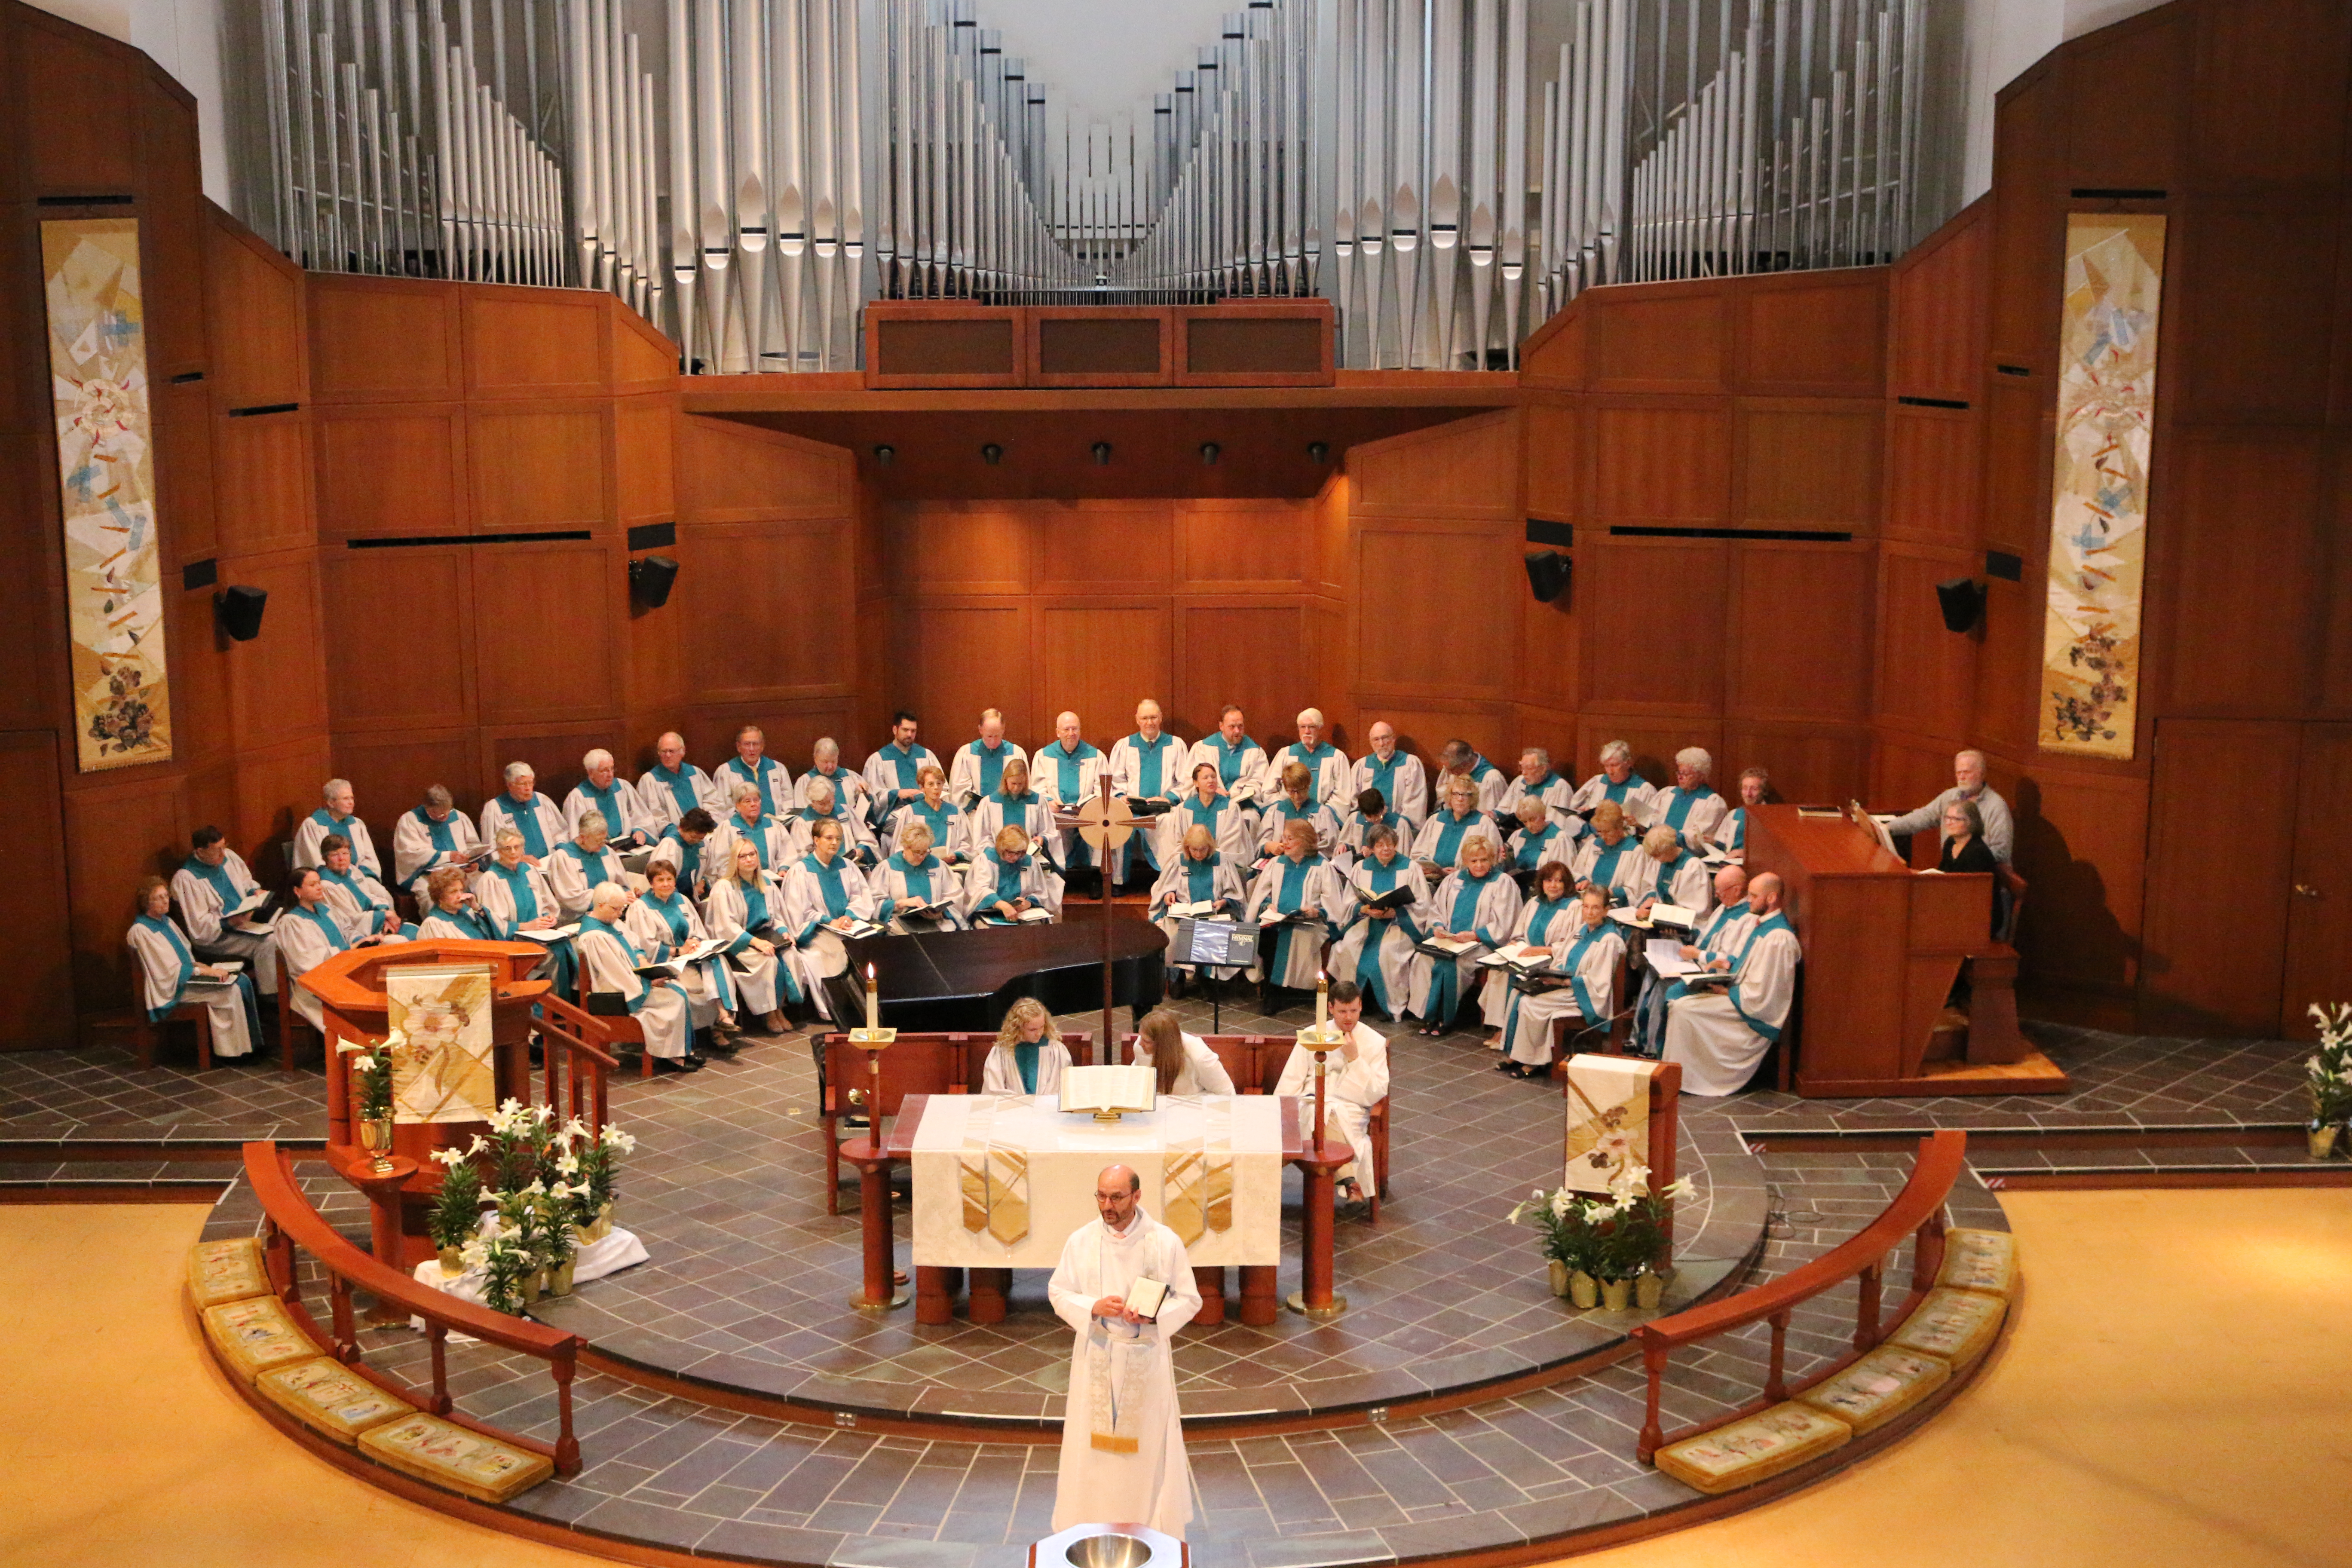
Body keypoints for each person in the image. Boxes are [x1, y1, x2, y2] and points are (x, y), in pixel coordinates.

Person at [1046, 1165, 1200, 1542]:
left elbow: (1190, 1298)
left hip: (1146, 1356)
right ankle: (1089, 1524)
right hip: (1096, 1353)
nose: (1107, 1205)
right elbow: (1059, 1292)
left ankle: (1149, 1527)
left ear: (1137, 1196)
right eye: (1101, 1196)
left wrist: (1153, 1316)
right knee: (1090, 1449)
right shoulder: (1081, 1241)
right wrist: (1094, 1307)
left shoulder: (1165, 1242)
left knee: (1146, 1449)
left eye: (1116, 1197)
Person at [1663, 871, 1801, 1095]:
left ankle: (1688, 1078)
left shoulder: (1779, 939)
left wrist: (1727, 993)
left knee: (1683, 1009)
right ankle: (1676, 1074)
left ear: (1772, 898)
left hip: (1753, 1011)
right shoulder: (1762, 925)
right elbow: (1744, 965)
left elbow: (1765, 995)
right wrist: (1722, 968)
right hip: (1739, 994)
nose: (1749, 900)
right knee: (1681, 1002)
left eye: (1754, 896)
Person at [1269, 982, 1388, 1204]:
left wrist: (1355, 1059)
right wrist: (1281, 1112)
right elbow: (1291, 1080)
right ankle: (1351, 1183)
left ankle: (1257, 1182)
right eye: (1343, 1011)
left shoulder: (1375, 1042)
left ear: (1361, 1006)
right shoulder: (1312, 1036)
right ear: (1331, 1008)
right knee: (1319, 1113)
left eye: (1354, 1010)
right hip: (1308, 1104)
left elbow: (1377, 1092)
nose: (1349, 1017)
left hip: (1351, 1110)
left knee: (1325, 1116)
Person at [1497, 885, 1623, 1078]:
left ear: (1606, 910)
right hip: (1563, 985)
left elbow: (1599, 981)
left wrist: (1564, 982)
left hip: (1583, 994)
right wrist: (1552, 974)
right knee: (1517, 993)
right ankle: (1517, 1056)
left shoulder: (1609, 939)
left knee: (1532, 1004)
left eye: (1596, 908)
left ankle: (1535, 1062)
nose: (1589, 912)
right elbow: (1564, 956)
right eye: (1586, 907)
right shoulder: (1582, 929)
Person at [129, 876, 260, 1060]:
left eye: (167, 896)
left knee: (240, 980)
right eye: (160, 898)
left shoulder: (167, 921)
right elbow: (168, 970)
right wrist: (210, 972)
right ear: (146, 902)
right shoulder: (142, 931)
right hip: (173, 988)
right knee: (229, 992)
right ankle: (232, 1053)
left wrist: (208, 969)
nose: (166, 901)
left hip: (187, 976)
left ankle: (249, 1047)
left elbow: (187, 957)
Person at [577, 882, 701, 1072]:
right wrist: (648, 982)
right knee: (674, 998)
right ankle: (670, 1056)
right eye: (616, 909)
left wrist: (644, 962)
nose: (620, 914)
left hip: (632, 979)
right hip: (617, 990)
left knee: (680, 989)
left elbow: (634, 944)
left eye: (622, 909)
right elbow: (615, 974)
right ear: (600, 905)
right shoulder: (594, 936)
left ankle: (682, 1051)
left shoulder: (612, 921)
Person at [1632, 866, 1754, 1057]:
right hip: (1695, 961)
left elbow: (1730, 960)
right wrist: (1684, 932)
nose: (1716, 895)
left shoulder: (1748, 919)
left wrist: (1697, 954)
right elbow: (1706, 937)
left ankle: (1656, 1049)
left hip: (1713, 974)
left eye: (1720, 891)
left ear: (1737, 890)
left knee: (1667, 985)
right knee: (1653, 971)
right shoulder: (1725, 908)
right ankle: (1640, 1038)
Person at [1411, 834, 1522, 1040]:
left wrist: (1475, 936)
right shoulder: (1454, 879)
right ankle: (1428, 1015)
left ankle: (1447, 1018)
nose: (1479, 865)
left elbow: (1505, 924)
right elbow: (1437, 909)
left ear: (1492, 860)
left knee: (1454, 964)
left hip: (1481, 945)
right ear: (1466, 861)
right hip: (1448, 940)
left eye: (1484, 860)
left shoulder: (1502, 883)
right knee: (1423, 959)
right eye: (1474, 861)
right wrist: (1437, 926)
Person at [624, 860, 737, 1050]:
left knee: (718, 963)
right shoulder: (641, 908)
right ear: (651, 883)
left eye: (670, 879)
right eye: (661, 880)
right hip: (666, 961)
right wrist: (678, 951)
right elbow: (645, 945)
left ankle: (721, 1021)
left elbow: (696, 929)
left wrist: (694, 943)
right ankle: (716, 1025)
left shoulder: (682, 900)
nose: (666, 884)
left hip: (689, 956)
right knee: (698, 986)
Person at [782, 819, 881, 1020]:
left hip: (848, 925)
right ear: (816, 840)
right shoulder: (801, 871)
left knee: (871, 946)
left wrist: (849, 916)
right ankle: (840, 1009)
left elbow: (859, 896)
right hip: (818, 930)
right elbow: (799, 910)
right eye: (829, 838)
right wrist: (829, 921)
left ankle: (873, 1005)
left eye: (838, 839)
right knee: (838, 951)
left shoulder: (847, 866)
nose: (834, 843)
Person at [1327, 826, 1428, 1020]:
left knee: (1388, 953)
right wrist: (1363, 909)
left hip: (1399, 925)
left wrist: (1395, 912)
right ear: (1372, 848)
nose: (1386, 850)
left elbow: (1423, 905)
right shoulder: (1361, 867)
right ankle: (1353, 1004)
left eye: (1390, 845)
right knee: (1349, 946)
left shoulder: (1410, 868)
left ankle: (1390, 1006)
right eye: (1380, 846)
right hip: (1366, 922)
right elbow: (1349, 900)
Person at [704, 839, 799, 1030]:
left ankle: (780, 1008)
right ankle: (768, 1013)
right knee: (768, 960)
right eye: (743, 856)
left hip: (766, 937)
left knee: (791, 955)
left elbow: (777, 917)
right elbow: (726, 926)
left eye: (752, 854)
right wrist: (756, 943)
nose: (749, 859)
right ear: (735, 860)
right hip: (738, 942)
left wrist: (785, 933)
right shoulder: (725, 887)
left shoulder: (767, 884)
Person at [1244, 819, 1346, 994]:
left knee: (1300, 935)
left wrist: (1316, 912)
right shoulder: (1276, 864)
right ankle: (1272, 991)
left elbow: (1333, 904)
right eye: (1284, 838)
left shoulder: (1322, 867)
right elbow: (1259, 897)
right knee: (1265, 936)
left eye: (1290, 839)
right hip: (1278, 920)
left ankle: (1294, 988)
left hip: (1311, 923)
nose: (1285, 843)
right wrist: (1268, 906)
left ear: (1305, 840)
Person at [1482, 858, 1582, 1038]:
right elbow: (1519, 934)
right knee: (1499, 973)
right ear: (1541, 883)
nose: (1553, 885)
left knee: (1514, 975)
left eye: (1559, 881)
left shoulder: (1574, 907)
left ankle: (1508, 1034)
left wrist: (1545, 950)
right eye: (1549, 880)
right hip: (1527, 956)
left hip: (1552, 961)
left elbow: (1575, 945)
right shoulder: (1534, 902)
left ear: (1567, 884)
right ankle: (1501, 1028)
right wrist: (1515, 944)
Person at [171, 827, 278, 990]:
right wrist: (229, 923)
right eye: (217, 850)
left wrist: (254, 891)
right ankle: (271, 997)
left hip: (245, 923)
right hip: (218, 938)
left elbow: (246, 882)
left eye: (224, 846)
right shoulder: (187, 879)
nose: (224, 853)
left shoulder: (228, 857)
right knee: (268, 942)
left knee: (284, 925)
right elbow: (199, 926)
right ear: (201, 852)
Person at [1148, 824, 1248, 991]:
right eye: (1194, 850)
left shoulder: (1222, 861)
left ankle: (1207, 978)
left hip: (1215, 912)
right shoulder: (1178, 862)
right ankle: (1177, 977)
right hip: (1184, 913)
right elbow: (1165, 887)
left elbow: (1235, 892)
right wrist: (1169, 894)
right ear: (1187, 848)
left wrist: (1224, 902)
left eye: (1203, 849)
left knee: (1214, 932)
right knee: (1173, 935)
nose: (1199, 854)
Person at [477, 827, 575, 995]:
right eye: (508, 848)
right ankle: (546, 1008)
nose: (514, 852)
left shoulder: (529, 870)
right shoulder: (491, 880)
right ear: (499, 851)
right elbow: (493, 923)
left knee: (565, 947)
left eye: (518, 847)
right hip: (513, 941)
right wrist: (526, 926)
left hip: (541, 934)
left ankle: (566, 1005)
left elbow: (546, 902)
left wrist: (548, 917)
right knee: (550, 955)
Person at [275, 867, 370, 1034]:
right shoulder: (292, 922)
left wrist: (359, 941)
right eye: (313, 885)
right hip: (315, 985)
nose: (320, 887)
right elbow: (308, 962)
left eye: (319, 883)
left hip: (347, 971)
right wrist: (348, 950)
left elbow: (348, 931)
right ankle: (353, 1053)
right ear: (297, 891)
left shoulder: (327, 910)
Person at [1885, 748, 2014, 864]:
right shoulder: (1950, 797)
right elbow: (1923, 817)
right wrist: (1886, 829)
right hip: (1951, 869)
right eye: (1959, 773)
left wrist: (1968, 857)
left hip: (1980, 877)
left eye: (1967, 772)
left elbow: (2002, 852)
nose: (1962, 777)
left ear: (1981, 774)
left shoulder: (1997, 806)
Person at [1109, 699, 1187, 885]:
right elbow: (1115, 779)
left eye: (1153, 717)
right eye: (1145, 718)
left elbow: (1186, 781)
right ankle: (1119, 881)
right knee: (1119, 823)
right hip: (1132, 808)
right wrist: (1122, 796)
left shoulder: (1176, 745)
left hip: (1163, 809)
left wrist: (1168, 799)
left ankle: (1168, 879)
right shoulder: (1125, 745)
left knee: (1170, 824)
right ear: (1137, 720)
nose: (1149, 722)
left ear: (1161, 718)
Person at [1033, 712, 1108, 885]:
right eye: (1067, 729)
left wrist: (1087, 805)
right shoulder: (1044, 756)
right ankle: (1057, 877)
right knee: (1049, 825)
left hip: (1087, 812)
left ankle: (1095, 878)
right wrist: (1049, 801)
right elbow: (1037, 787)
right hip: (1057, 812)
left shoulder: (1096, 756)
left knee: (1103, 822)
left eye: (1075, 729)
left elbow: (1102, 789)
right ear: (1058, 732)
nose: (1071, 734)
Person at [315, 833, 415, 942]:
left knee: (415, 931)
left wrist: (385, 915)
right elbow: (350, 919)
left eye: (345, 853)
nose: (341, 859)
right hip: (357, 934)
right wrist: (383, 916)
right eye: (335, 855)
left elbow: (370, 897)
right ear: (325, 858)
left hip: (375, 921)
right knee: (399, 942)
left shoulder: (353, 871)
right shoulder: (327, 884)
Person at [1156, 762, 1258, 870]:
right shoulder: (1184, 808)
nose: (1211, 781)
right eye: (1206, 778)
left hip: (1220, 866)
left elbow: (1232, 842)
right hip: (1190, 865)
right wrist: (1193, 856)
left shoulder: (1230, 808)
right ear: (1196, 783)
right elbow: (1178, 840)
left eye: (1213, 777)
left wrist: (1211, 857)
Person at [392, 785, 483, 905]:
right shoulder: (411, 821)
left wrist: (473, 863)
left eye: (448, 811)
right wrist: (448, 856)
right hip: (428, 876)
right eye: (440, 815)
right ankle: (439, 924)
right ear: (427, 808)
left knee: (485, 884)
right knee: (430, 896)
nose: (445, 817)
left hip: (463, 872)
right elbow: (410, 854)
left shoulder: (459, 817)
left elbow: (473, 845)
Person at [873, 820, 968, 932]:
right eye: (917, 852)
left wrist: (940, 914)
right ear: (905, 847)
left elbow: (954, 897)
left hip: (937, 923)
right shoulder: (888, 868)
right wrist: (900, 903)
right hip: (899, 925)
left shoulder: (938, 866)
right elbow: (874, 903)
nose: (922, 857)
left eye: (925, 852)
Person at [964, 825, 1066, 923]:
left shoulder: (1029, 862)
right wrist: (1001, 904)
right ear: (1001, 848)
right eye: (1011, 853)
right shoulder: (985, 860)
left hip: (1022, 914)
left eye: (1020, 853)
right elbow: (980, 889)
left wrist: (1028, 903)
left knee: (1034, 930)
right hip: (988, 913)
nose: (1016, 857)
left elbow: (1040, 892)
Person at [1411, 773, 1504, 879]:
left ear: (1472, 798)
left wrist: (1463, 873)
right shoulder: (1436, 820)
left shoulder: (1484, 823)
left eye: (1465, 795)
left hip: (1465, 879)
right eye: (1456, 794)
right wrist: (1429, 867)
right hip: (1432, 878)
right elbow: (1418, 852)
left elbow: (1491, 860)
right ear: (1450, 797)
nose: (1460, 799)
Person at [968, 756, 1056, 868]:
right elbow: (982, 836)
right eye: (1013, 784)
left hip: (1028, 858)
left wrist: (1042, 839)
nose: (1016, 788)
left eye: (1021, 784)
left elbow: (1049, 830)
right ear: (1006, 780)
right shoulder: (990, 802)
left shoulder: (1037, 801)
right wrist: (996, 854)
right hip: (998, 859)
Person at [544, 812, 632, 922]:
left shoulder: (607, 852)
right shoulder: (564, 857)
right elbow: (572, 898)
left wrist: (627, 895)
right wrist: (613, 898)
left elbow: (622, 884)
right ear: (583, 837)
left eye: (604, 839)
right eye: (597, 841)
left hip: (615, 913)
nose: (602, 844)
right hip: (579, 919)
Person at [882, 763, 973, 867]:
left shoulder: (956, 812)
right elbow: (900, 846)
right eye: (931, 784)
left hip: (951, 868)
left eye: (939, 784)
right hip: (918, 866)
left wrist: (956, 855)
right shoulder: (911, 812)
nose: (936, 788)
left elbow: (967, 844)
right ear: (922, 788)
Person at [861, 710, 940, 828]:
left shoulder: (926, 755)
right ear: (895, 730)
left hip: (926, 809)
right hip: (896, 814)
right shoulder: (879, 759)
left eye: (913, 731)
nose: (909, 734)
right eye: (905, 730)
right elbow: (872, 794)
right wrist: (897, 793)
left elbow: (942, 786)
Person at [478, 763, 570, 864]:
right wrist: (519, 859)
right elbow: (492, 848)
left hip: (550, 862)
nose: (528, 788)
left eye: (531, 783)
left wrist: (561, 848)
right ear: (510, 785)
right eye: (523, 784)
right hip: (517, 868)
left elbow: (560, 832)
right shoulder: (495, 809)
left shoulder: (542, 801)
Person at [1133, 1008, 1236, 1096]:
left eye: (1147, 1041)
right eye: (1141, 1037)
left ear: (1164, 1044)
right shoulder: (1140, 1047)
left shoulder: (1200, 1057)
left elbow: (1227, 1095)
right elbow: (1139, 1079)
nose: (1141, 1043)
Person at [981, 997, 1073, 1094]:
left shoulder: (1055, 1049)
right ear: (1018, 1028)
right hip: (1013, 1106)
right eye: (1033, 1030)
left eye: (1042, 1027)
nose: (1039, 1034)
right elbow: (994, 1089)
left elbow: (1063, 1086)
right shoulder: (1002, 1051)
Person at [292, 778, 382, 878]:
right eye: (346, 799)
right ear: (331, 803)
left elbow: (369, 858)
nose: (351, 803)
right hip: (331, 883)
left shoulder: (357, 824)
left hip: (361, 877)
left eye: (352, 798)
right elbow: (314, 862)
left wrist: (363, 877)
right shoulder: (313, 825)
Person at [564, 749, 653, 848]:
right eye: (605, 770)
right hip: (598, 852)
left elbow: (640, 816)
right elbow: (576, 834)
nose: (611, 774)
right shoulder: (578, 797)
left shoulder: (623, 787)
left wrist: (639, 831)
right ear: (591, 773)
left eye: (612, 769)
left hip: (628, 847)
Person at [1256, 761, 1342, 864]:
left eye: (1301, 790)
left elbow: (1329, 847)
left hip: (1310, 865)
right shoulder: (1276, 811)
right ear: (1285, 787)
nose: (1297, 797)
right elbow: (1261, 844)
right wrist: (1269, 846)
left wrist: (1302, 851)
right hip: (1278, 865)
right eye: (1292, 791)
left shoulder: (1321, 813)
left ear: (1309, 784)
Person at [1938, 798, 2001, 936]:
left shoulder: (1977, 852)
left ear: (1971, 822)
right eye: (1947, 817)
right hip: (1958, 906)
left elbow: (1974, 897)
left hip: (1981, 918)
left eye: (1956, 819)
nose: (1948, 823)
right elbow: (1941, 874)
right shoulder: (1951, 843)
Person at [706, 783, 793, 882]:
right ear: (738, 805)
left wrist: (783, 869)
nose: (753, 804)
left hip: (772, 881)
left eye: (756, 800)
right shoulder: (728, 827)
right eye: (747, 801)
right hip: (739, 883)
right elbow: (721, 861)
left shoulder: (774, 826)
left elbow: (788, 853)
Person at [787, 775, 880, 867]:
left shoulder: (845, 811)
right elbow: (802, 855)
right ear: (812, 801)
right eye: (821, 804)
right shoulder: (803, 823)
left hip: (852, 867)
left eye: (830, 801)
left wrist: (861, 850)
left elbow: (867, 839)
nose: (827, 807)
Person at [1350, 721, 1428, 828]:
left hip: (1398, 828)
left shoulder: (1410, 764)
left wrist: (1400, 824)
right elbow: (1354, 801)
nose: (1382, 744)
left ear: (1393, 739)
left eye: (1385, 738)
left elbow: (1415, 803)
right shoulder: (1362, 766)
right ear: (1371, 742)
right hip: (1368, 826)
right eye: (1377, 739)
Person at [1628, 825, 1714, 923]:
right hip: (1661, 919)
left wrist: (1658, 912)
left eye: (1658, 855)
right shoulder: (1659, 861)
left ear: (1670, 848)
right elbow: (1650, 886)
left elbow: (1694, 911)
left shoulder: (1693, 867)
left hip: (1688, 926)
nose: (1657, 860)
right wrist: (1651, 899)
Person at [1267, 707, 1350, 808]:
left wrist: (1323, 815)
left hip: (1323, 817)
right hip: (1288, 816)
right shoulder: (1286, 754)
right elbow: (1270, 790)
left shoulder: (1336, 757)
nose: (1307, 731)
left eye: (1311, 727)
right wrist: (1284, 810)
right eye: (1302, 727)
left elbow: (1342, 796)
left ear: (1321, 729)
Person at [637, 731, 721, 829]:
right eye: (664, 751)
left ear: (683, 751)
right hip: (674, 836)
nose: (668, 755)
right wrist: (679, 833)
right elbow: (654, 816)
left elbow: (712, 800)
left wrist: (706, 822)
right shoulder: (650, 780)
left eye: (672, 751)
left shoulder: (695, 773)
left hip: (704, 831)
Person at [1188, 704, 1270, 803]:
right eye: (1232, 727)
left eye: (1241, 726)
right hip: (1211, 802)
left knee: (1251, 818)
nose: (1237, 731)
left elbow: (1259, 781)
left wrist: (1238, 794)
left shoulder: (1255, 751)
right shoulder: (1203, 749)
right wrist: (1212, 790)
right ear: (1221, 726)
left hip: (1243, 805)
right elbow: (1192, 780)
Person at [1652, 747, 1728, 852]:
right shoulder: (1667, 793)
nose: (1680, 777)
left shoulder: (1712, 803)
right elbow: (1652, 819)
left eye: (1685, 774)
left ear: (1701, 776)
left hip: (1689, 857)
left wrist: (1665, 837)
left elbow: (1698, 837)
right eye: (1679, 773)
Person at [712, 724, 793, 821]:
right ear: (739, 747)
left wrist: (780, 823)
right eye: (747, 744)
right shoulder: (726, 771)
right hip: (741, 829)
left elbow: (789, 801)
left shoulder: (777, 769)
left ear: (762, 746)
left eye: (756, 744)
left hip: (776, 827)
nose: (752, 749)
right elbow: (722, 807)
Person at [1571, 801, 1645, 904]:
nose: (1603, 837)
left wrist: (1607, 894)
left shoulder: (1635, 851)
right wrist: (1584, 881)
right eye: (1600, 832)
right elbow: (1577, 872)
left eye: (1608, 832)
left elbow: (1636, 891)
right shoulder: (1593, 845)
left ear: (1619, 827)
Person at [1570, 740, 1659, 826]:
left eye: (1614, 765)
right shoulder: (1598, 782)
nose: (1610, 772)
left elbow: (1648, 825)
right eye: (1606, 766)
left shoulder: (1644, 789)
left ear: (1628, 763)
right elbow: (1574, 808)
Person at [947, 708, 1026, 802]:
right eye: (989, 736)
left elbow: (1025, 787)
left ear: (1003, 729)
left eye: (997, 736)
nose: (993, 741)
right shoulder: (967, 753)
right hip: (976, 812)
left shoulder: (1016, 753)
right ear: (981, 730)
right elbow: (959, 791)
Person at [795, 738, 874, 828]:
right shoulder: (806, 781)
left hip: (850, 828)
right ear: (816, 760)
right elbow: (801, 813)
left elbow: (867, 805)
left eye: (833, 762)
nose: (830, 766)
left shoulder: (850, 777)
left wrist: (865, 793)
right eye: (825, 762)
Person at [646, 807, 720, 898]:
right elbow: (660, 878)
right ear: (682, 828)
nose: (697, 841)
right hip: (671, 896)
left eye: (700, 838)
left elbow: (711, 871)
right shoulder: (669, 845)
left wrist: (703, 882)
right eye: (693, 837)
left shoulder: (703, 845)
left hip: (694, 897)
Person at [416, 865, 503, 942]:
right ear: (440, 896)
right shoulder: (434, 924)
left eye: (461, 890)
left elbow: (494, 936)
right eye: (453, 892)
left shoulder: (468, 913)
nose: (460, 896)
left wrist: (477, 908)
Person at [1498, 747, 1577, 830]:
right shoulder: (1520, 781)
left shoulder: (1559, 787)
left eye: (1529, 768)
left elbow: (1559, 823)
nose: (1524, 773)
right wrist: (1493, 814)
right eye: (1522, 768)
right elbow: (1505, 808)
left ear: (1543, 769)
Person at [1505, 795, 1574, 880]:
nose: (1529, 826)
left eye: (1532, 820)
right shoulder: (1517, 836)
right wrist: (1504, 860)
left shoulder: (1560, 838)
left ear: (1543, 815)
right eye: (1525, 822)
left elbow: (1566, 872)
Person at [1706, 767, 1770, 858]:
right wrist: (1712, 842)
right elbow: (1726, 846)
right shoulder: (1734, 815)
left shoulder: (1771, 816)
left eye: (1754, 789)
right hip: (1730, 860)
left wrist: (1743, 853)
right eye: (1745, 788)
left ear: (1764, 792)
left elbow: (1771, 850)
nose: (1748, 794)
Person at [1337, 786, 1412, 863]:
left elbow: (1404, 855)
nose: (1374, 821)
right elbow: (1347, 842)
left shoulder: (1400, 824)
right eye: (1369, 817)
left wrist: (1374, 851)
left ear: (1383, 808)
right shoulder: (1355, 819)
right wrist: (1345, 846)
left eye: (1377, 816)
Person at [1436, 739, 1508, 816]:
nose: (1449, 773)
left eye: (1452, 770)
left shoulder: (1491, 778)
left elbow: (1490, 816)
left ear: (1465, 764)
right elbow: (1442, 802)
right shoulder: (1452, 767)